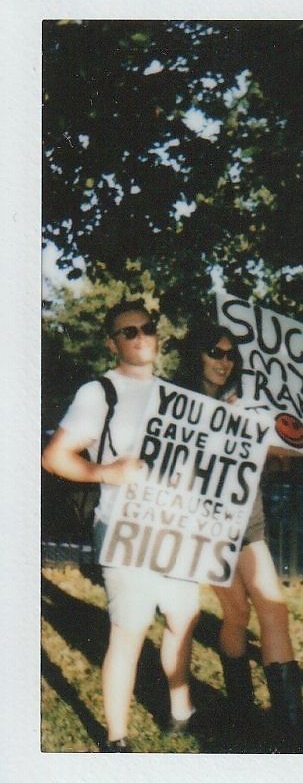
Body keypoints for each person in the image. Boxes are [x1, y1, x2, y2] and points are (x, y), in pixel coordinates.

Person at [42, 299, 200, 752]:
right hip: (124, 528)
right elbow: (55, 457)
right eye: (128, 332)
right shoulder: (98, 393)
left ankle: (180, 708)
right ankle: (117, 737)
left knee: (182, 618)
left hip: (176, 529)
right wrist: (104, 472)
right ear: (113, 343)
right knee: (129, 629)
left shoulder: (174, 395)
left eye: (146, 328)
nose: (140, 337)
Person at [177, 320, 303, 748]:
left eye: (230, 354)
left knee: (274, 610)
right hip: (207, 523)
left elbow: (283, 447)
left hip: (248, 519)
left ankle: (291, 730)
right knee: (236, 614)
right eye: (215, 352)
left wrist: (264, 431)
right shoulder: (179, 402)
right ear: (196, 353)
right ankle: (241, 708)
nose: (224, 361)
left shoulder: (249, 399)